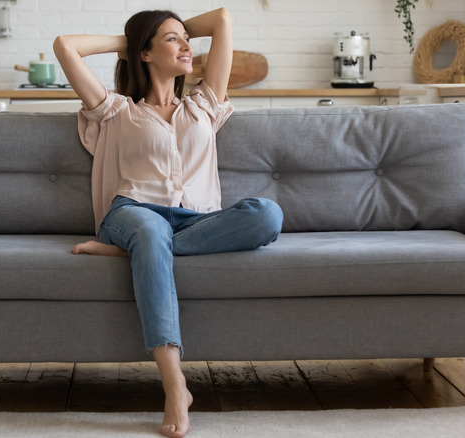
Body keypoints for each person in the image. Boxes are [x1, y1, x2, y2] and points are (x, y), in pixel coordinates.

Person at [53, 8, 282, 438]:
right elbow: (65, 46)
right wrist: (129, 41)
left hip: (196, 221)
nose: (187, 46)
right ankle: (175, 385)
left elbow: (222, 19)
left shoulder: (205, 106)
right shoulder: (115, 110)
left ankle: (137, 252)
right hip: (133, 212)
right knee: (150, 230)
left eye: (186, 39)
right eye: (173, 40)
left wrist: (168, 37)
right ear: (143, 54)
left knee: (268, 214)